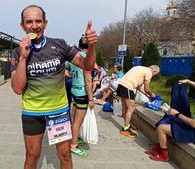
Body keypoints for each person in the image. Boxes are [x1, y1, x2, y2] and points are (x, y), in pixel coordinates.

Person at [10, 5, 97, 169]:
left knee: (64, 156)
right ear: (22, 26)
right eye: (29, 22)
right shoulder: (17, 52)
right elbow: (17, 89)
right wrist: (23, 58)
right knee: (32, 156)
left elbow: (87, 65)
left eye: (38, 21)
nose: (34, 26)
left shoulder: (60, 45)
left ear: (45, 23)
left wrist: (92, 46)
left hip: (58, 112)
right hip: (32, 112)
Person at [145, 79, 195, 161]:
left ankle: (164, 155)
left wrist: (177, 114)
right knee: (164, 122)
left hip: (192, 133)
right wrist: (188, 81)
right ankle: (158, 148)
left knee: (162, 128)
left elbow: (193, 124)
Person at [65, 37, 94, 157]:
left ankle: (73, 138)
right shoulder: (86, 59)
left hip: (74, 90)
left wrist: (69, 75)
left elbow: (65, 67)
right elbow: (88, 80)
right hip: (82, 93)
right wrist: (91, 99)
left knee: (73, 117)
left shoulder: (74, 57)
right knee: (78, 121)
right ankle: (74, 145)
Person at [117, 65, 160, 138]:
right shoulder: (149, 72)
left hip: (121, 85)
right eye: (155, 74)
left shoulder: (140, 68)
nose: (153, 76)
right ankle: (125, 128)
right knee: (131, 108)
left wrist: (147, 95)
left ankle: (127, 125)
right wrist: (151, 94)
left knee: (125, 108)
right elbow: (146, 88)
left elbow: (139, 88)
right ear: (154, 70)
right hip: (128, 86)